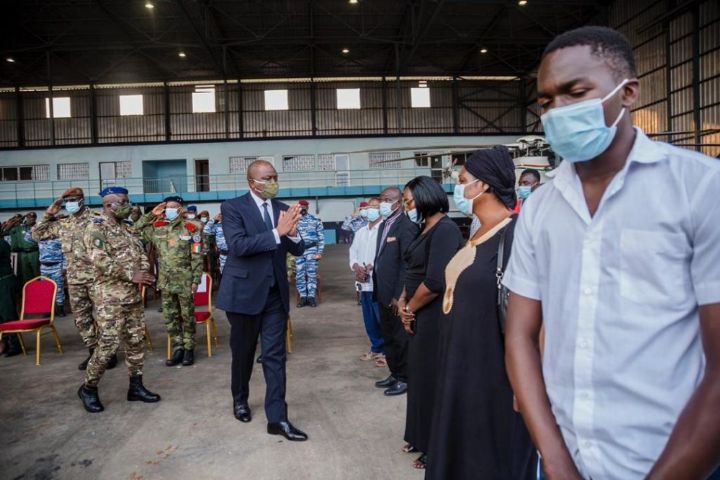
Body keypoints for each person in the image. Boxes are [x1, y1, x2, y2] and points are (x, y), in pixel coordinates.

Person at [503, 26, 720, 480]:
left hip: (677, 460)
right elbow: (521, 335)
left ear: (629, 93)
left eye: (575, 93)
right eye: (545, 101)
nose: (558, 111)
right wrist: (556, 461)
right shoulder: (541, 207)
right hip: (567, 461)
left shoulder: (699, 188)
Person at [425, 146, 536, 480]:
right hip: (460, 367)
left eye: (462, 180)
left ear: (483, 185)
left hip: (491, 374)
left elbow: (530, 313)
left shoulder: (515, 233)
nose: (458, 188)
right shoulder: (477, 232)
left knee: (487, 456)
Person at [217, 159, 308, 441]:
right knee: (243, 353)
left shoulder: (283, 209)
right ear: (251, 182)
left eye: (275, 176)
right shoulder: (233, 208)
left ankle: (277, 419)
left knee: (274, 356)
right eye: (266, 178)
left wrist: (293, 233)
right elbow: (239, 246)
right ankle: (240, 398)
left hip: (274, 295)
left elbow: (298, 248)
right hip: (243, 294)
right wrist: (277, 233)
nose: (272, 182)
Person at [397, 176, 464, 470]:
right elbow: (413, 268)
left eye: (408, 201)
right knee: (419, 377)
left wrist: (410, 308)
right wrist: (402, 301)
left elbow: (436, 280)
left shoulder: (446, 230)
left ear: (425, 198)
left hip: (433, 315)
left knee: (431, 379)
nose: (405, 206)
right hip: (415, 311)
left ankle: (434, 446)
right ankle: (418, 434)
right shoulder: (423, 227)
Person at [78, 186, 160, 413]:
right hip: (109, 297)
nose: (128, 205)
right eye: (123, 202)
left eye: (128, 201)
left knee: (135, 341)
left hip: (132, 295)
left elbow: (141, 254)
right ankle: (89, 387)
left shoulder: (128, 228)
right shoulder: (95, 228)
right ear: (109, 205)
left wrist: (144, 272)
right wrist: (130, 275)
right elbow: (99, 259)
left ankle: (136, 387)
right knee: (109, 344)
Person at [32, 188, 115, 370]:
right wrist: (48, 214)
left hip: (98, 278)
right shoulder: (63, 224)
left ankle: (108, 353)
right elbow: (37, 235)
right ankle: (94, 353)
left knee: (105, 317)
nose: (70, 202)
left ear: (82, 200)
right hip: (75, 280)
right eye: (67, 199)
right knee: (81, 319)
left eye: (74, 199)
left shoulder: (97, 219)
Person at [135, 196, 203, 367]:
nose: (170, 210)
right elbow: (135, 230)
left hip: (185, 280)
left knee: (187, 316)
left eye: (174, 207)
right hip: (165, 281)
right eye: (168, 207)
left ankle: (189, 348)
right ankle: (178, 347)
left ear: (181, 209)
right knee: (170, 317)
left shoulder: (191, 228)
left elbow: (197, 256)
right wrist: (151, 215)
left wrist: (195, 279)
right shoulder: (158, 228)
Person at [372, 187, 419, 396]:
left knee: (401, 338)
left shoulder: (406, 227)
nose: (383, 203)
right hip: (382, 293)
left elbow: (407, 265)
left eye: (388, 199)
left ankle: (406, 378)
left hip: (396, 296)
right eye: (382, 199)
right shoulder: (384, 226)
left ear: (398, 203)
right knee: (388, 336)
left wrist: (399, 295)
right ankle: (395, 372)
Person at [349, 197, 384, 363]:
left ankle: (387, 352)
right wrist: (356, 267)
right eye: (370, 206)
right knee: (369, 319)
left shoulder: (385, 230)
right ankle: (376, 348)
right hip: (363, 282)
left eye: (376, 207)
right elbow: (353, 252)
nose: (372, 210)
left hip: (378, 283)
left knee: (382, 318)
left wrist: (372, 266)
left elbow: (386, 255)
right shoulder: (361, 232)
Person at [24, 231, 67, 316]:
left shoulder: (59, 239)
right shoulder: (40, 239)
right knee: (46, 288)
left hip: (57, 266)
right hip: (44, 267)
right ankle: (48, 310)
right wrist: (36, 227)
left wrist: (64, 267)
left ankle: (60, 308)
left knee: (59, 288)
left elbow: (65, 253)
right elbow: (27, 238)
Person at [295, 199, 324, 308]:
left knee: (312, 274)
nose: (302, 208)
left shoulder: (315, 220)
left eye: (304, 206)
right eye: (300, 206)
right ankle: (303, 297)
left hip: (312, 250)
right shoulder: (294, 220)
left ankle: (311, 297)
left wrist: (320, 252)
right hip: (298, 251)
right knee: (299, 274)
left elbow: (321, 237)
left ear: (307, 207)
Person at [1, 212, 40, 288]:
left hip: (34, 252)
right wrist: (16, 220)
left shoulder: (37, 226)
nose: (31, 219)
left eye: (33, 218)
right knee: (25, 273)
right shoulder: (20, 227)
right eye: (29, 217)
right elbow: (6, 230)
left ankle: (38, 288)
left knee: (36, 272)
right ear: (26, 218)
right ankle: (27, 289)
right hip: (23, 253)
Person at [0, 236, 21, 356]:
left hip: (4, 282)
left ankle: (15, 344)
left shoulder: (2, 243)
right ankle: (5, 342)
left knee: (8, 314)